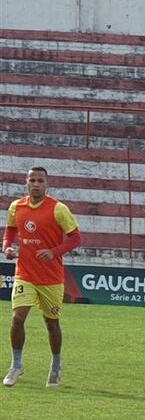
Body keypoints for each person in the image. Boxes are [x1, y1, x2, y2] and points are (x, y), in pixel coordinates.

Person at [3, 166, 82, 388]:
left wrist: (53, 252)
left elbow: (76, 238)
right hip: (24, 273)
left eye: (40, 180)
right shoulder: (16, 207)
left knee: (51, 323)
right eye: (32, 180)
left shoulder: (58, 209)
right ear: (26, 182)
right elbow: (10, 231)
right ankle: (16, 365)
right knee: (18, 317)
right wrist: (7, 247)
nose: (36, 184)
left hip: (51, 278)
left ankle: (56, 366)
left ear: (47, 184)